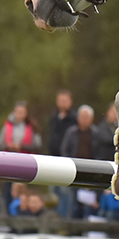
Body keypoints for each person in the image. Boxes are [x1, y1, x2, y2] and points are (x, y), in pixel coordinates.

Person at [60, 105, 101, 218]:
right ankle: (71, 227)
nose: (84, 119)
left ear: (91, 119)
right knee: (72, 202)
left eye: (86, 117)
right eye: (82, 116)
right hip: (73, 170)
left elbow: (98, 153)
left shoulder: (96, 134)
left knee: (90, 203)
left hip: (91, 171)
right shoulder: (71, 132)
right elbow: (65, 150)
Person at [47, 89, 76, 217]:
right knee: (54, 193)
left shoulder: (74, 119)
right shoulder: (54, 118)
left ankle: (65, 221)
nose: (62, 103)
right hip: (53, 159)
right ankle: (55, 219)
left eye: (65, 100)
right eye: (60, 100)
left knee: (66, 193)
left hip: (67, 162)